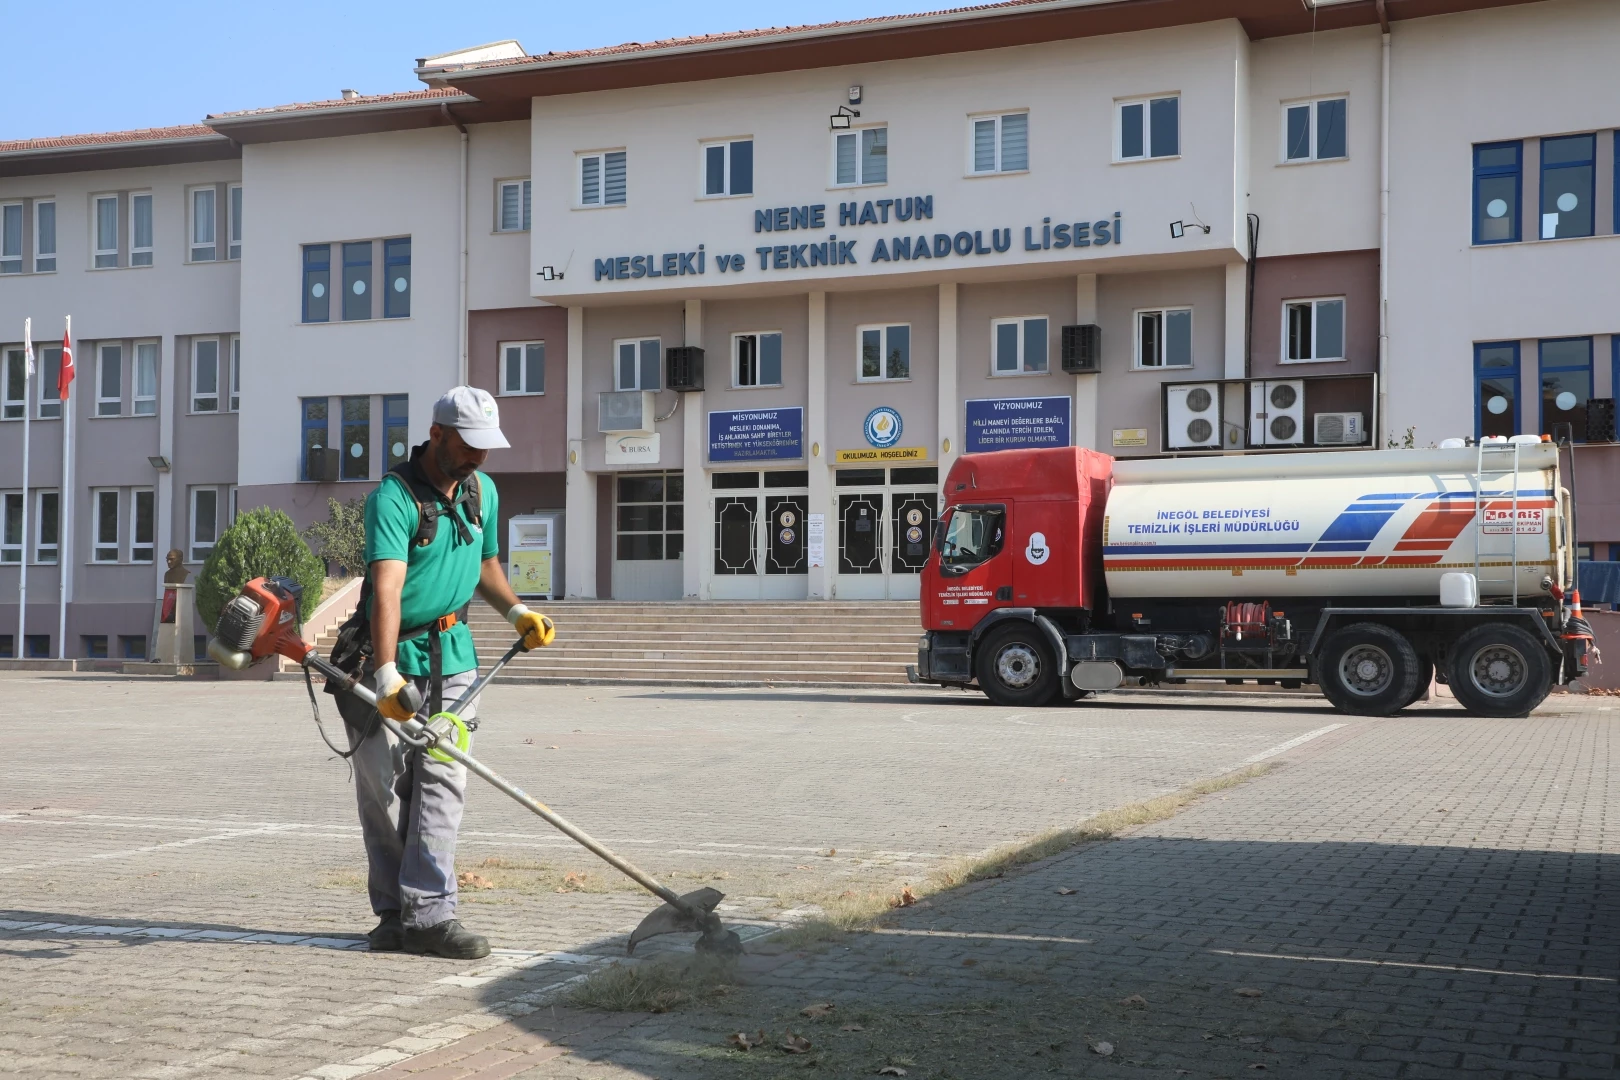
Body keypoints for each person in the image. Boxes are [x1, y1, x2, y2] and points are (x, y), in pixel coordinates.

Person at [334, 386, 554, 959]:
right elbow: (386, 590)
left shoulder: (483, 491)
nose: (480, 457)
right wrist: (385, 673)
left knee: (442, 785)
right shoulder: (394, 498)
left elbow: (485, 564)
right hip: (385, 661)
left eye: (486, 446)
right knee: (380, 793)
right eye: (469, 445)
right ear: (437, 434)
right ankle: (392, 915)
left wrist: (517, 611)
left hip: (455, 660)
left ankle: (430, 916)